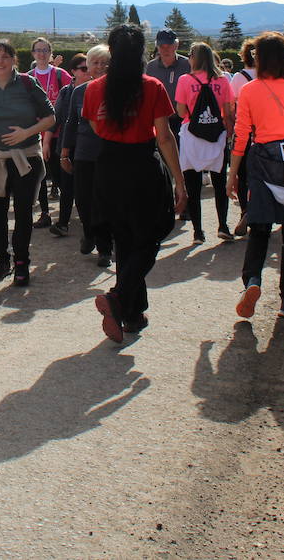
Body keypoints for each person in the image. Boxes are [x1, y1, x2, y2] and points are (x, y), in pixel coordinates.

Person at [86, 25, 186, 343]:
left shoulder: (93, 88)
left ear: (112, 52)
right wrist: (179, 182)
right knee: (152, 236)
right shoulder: (153, 86)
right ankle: (118, 297)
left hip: (107, 169)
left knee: (125, 241)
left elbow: (94, 125)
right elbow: (165, 137)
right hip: (142, 167)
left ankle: (132, 313)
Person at [226, 32, 284, 321]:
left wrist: (233, 173)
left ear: (258, 59)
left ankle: (252, 281)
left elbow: (241, 135)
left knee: (259, 230)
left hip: (261, 163)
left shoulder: (250, 90)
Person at [0, 40, 55, 286]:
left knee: (24, 213)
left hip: (25, 158)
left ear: (14, 60)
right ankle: (1, 260)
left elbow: (50, 118)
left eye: (5, 56)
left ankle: (21, 262)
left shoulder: (28, 83)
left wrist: (26, 133)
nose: (0, 61)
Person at [174, 42, 235, 242]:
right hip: (216, 135)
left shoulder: (185, 80)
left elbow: (181, 112)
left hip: (192, 135)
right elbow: (228, 112)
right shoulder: (223, 80)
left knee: (193, 185)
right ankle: (223, 225)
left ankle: (198, 231)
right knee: (219, 184)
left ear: (193, 57)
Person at [61, 45, 113, 267]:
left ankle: (104, 249)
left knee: (103, 201)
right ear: (89, 67)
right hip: (83, 152)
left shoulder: (116, 91)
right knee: (82, 199)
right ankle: (89, 232)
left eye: (104, 63)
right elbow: (71, 123)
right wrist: (64, 152)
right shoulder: (78, 92)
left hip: (109, 153)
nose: (99, 67)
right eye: (95, 63)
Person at [146, 30, 193, 218]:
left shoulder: (186, 65)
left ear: (176, 45)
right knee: (165, 164)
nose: (165, 48)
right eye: (162, 45)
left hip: (182, 119)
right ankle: (167, 205)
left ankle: (184, 204)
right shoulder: (150, 67)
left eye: (169, 44)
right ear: (157, 46)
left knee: (184, 162)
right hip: (160, 120)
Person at [27, 37, 71, 228]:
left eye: (45, 50)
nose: (42, 54)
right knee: (40, 176)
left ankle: (67, 211)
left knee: (60, 174)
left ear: (50, 52)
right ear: (33, 54)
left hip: (58, 134)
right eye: (38, 50)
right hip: (36, 134)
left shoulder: (61, 75)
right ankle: (45, 213)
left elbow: (73, 96)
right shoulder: (27, 77)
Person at [49, 52, 87, 237]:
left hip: (87, 148)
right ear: (73, 71)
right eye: (83, 69)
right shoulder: (66, 92)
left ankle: (90, 227)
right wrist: (47, 142)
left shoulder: (95, 89)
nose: (88, 72)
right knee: (66, 186)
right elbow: (56, 120)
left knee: (84, 189)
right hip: (67, 145)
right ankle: (63, 223)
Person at [228, 38, 258, 236]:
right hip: (265, 131)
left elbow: (232, 107)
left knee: (243, 175)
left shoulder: (239, 78)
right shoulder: (272, 76)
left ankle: (246, 211)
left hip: (244, 131)